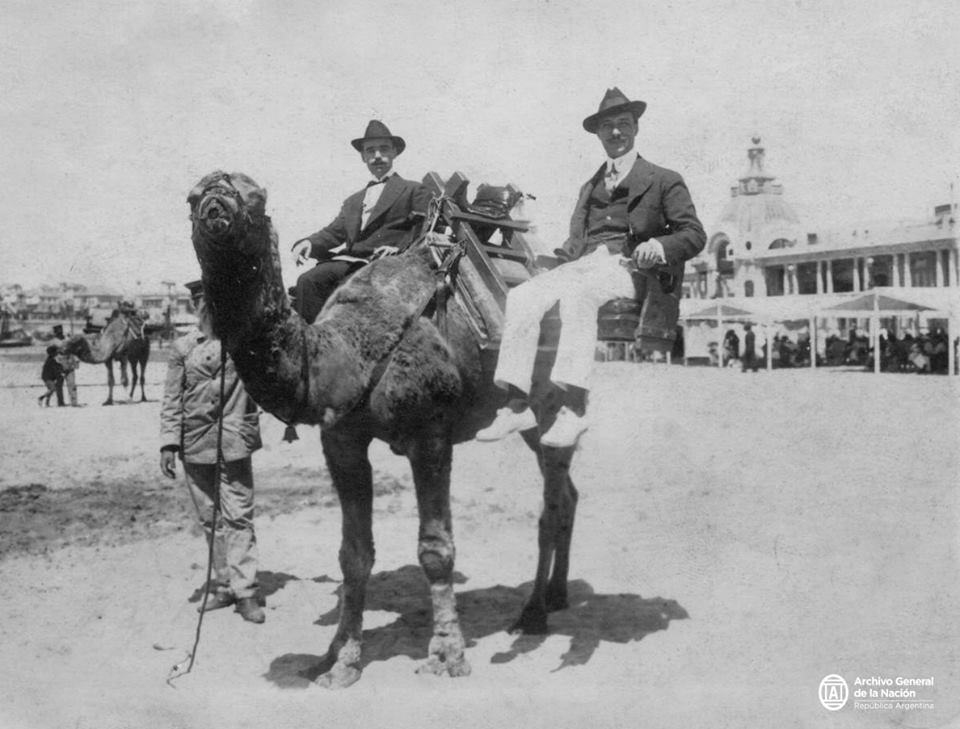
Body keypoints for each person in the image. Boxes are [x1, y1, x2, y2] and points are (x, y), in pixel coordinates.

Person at [476, 87, 706, 447]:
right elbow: (575, 242)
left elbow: (694, 234)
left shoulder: (663, 179)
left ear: (636, 129)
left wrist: (658, 245)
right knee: (521, 297)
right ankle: (517, 404)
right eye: (608, 126)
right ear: (598, 134)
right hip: (587, 264)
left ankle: (574, 408)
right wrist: (551, 255)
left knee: (578, 296)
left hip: (631, 269)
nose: (616, 133)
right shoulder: (590, 185)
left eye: (624, 124)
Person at [159, 280, 266, 623]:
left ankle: (246, 591)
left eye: (213, 303)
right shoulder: (182, 348)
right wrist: (168, 443)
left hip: (234, 440)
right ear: (193, 308)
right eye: (201, 304)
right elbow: (172, 399)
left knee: (239, 516)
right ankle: (224, 585)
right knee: (210, 518)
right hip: (195, 442)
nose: (207, 310)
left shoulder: (242, 341)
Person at [290, 120, 433, 323]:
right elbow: (333, 233)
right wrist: (308, 242)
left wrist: (402, 250)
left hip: (388, 264)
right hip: (350, 263)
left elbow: (424, 228)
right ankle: (315, 347)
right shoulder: (353, 201)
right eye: (371, 151)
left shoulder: (413, 189)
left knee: (339, 288)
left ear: (394, 153)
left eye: (383, 149)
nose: (377, 156)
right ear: (363, 157)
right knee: (308, 281)